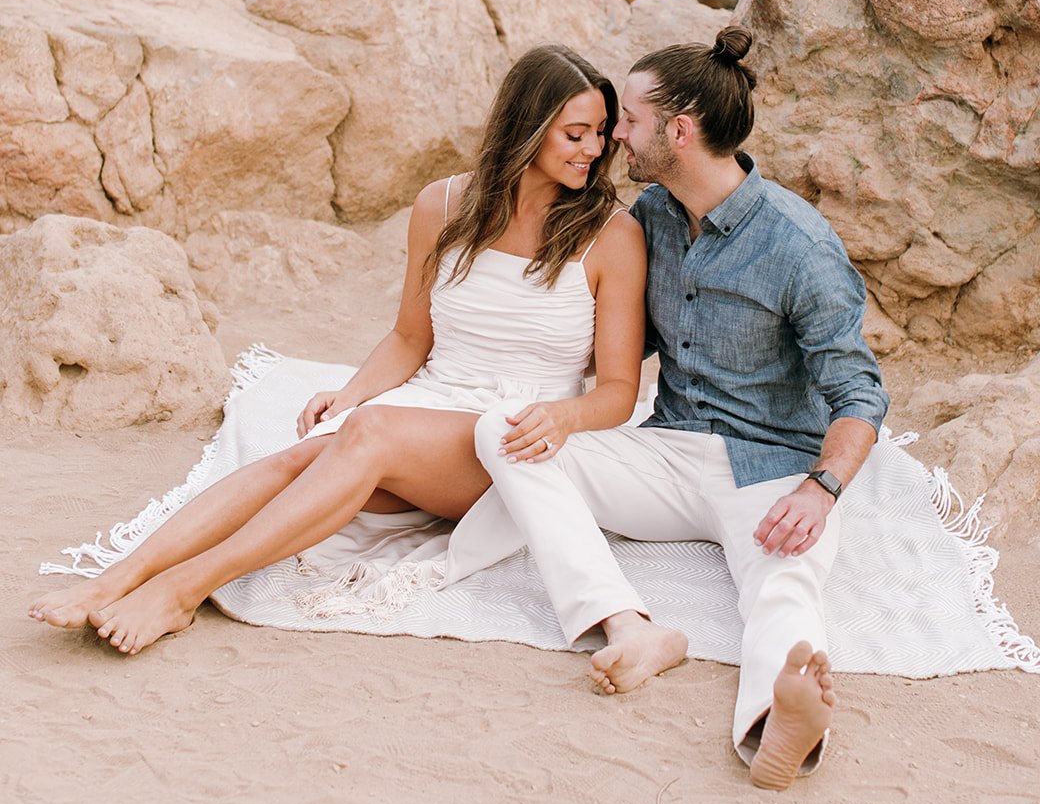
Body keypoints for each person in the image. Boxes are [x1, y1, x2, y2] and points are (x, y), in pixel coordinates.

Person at [30, 45, 686, 680]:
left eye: (600, 133)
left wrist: (562, 414)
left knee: (365, 434)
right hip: (431, 403)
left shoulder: (611, 235)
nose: (594, 149)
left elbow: (621, 391)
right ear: (528, 128)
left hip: (512, 437)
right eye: (575, 134)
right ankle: (119, 577)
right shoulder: (444, 205)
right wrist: (351, 394)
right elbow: (409, 338)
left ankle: (181, 590)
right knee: (306, 454)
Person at [468, 28, 889, 791]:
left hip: (768, 468)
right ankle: (627, 623)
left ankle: (774, 717)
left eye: (626, 119)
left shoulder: (798, 246)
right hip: (663, 454)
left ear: (679, 132)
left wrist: (819, 489)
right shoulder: (649, 220)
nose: (612, 137)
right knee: (505, 433)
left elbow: (857, 392)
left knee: (783, 580)